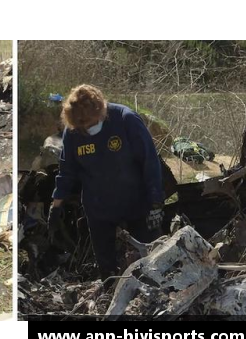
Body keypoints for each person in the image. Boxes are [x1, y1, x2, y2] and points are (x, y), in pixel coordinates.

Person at [48, 84, 164, 282]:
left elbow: (150, 163)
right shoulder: (74, 131)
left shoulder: (126, 120)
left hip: (136, 203)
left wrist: (156, 203)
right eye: (80, 125)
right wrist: (56, 204)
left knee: (150, 261)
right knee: (107, 266)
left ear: (101, 110)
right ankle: (110, 295)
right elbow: (67, 171)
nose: (85, 128)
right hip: (98, 207)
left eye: (89, 122)